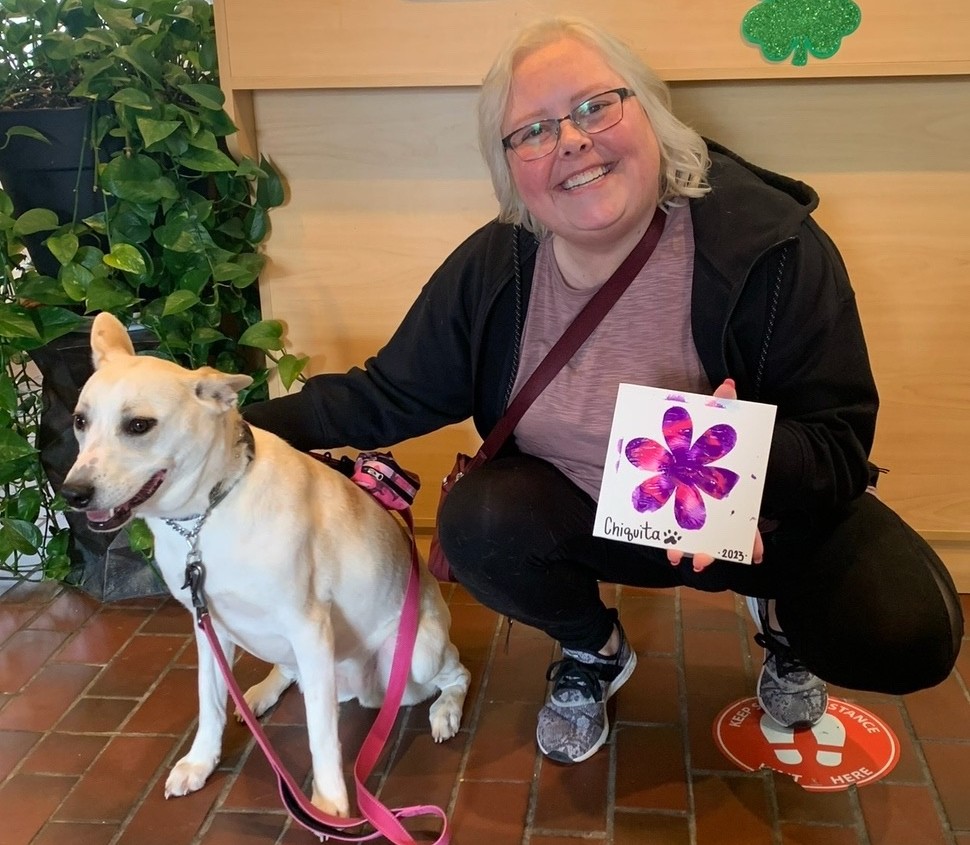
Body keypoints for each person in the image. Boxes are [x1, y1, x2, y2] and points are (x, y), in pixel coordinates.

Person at [243, 17, 963, 765]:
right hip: (587, 519)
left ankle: (781, 622)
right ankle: (594, 647)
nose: (571, 141)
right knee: (476, 522)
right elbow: (385, 395)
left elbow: (839, 444)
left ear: (651, 114)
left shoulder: (770, 249)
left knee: (905, 626)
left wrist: (744, 464)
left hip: (758, 525)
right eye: (533, 130)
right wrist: (228, 425)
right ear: (510, 168)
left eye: (595, 106)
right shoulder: (497, 268)